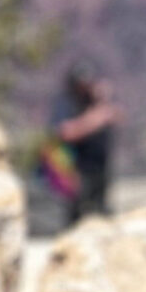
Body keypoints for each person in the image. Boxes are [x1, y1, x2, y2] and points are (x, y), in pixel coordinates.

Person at [49, 60, 123, 225]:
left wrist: (103, 99)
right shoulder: (66, 103)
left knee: (100, 212)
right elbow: (64, 132)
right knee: (76, 215)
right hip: (76, 169)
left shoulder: (93, 102)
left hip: (100, 169)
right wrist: (95, 119)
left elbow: (116, 116)